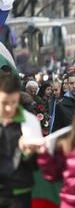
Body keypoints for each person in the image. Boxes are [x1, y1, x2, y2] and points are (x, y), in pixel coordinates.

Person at [0, 74, 42, 208]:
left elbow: (37, 165)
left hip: (20, 191)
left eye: (13, 102)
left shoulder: (30, 121)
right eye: (4, 103)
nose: (9, 108)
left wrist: (28, 153)